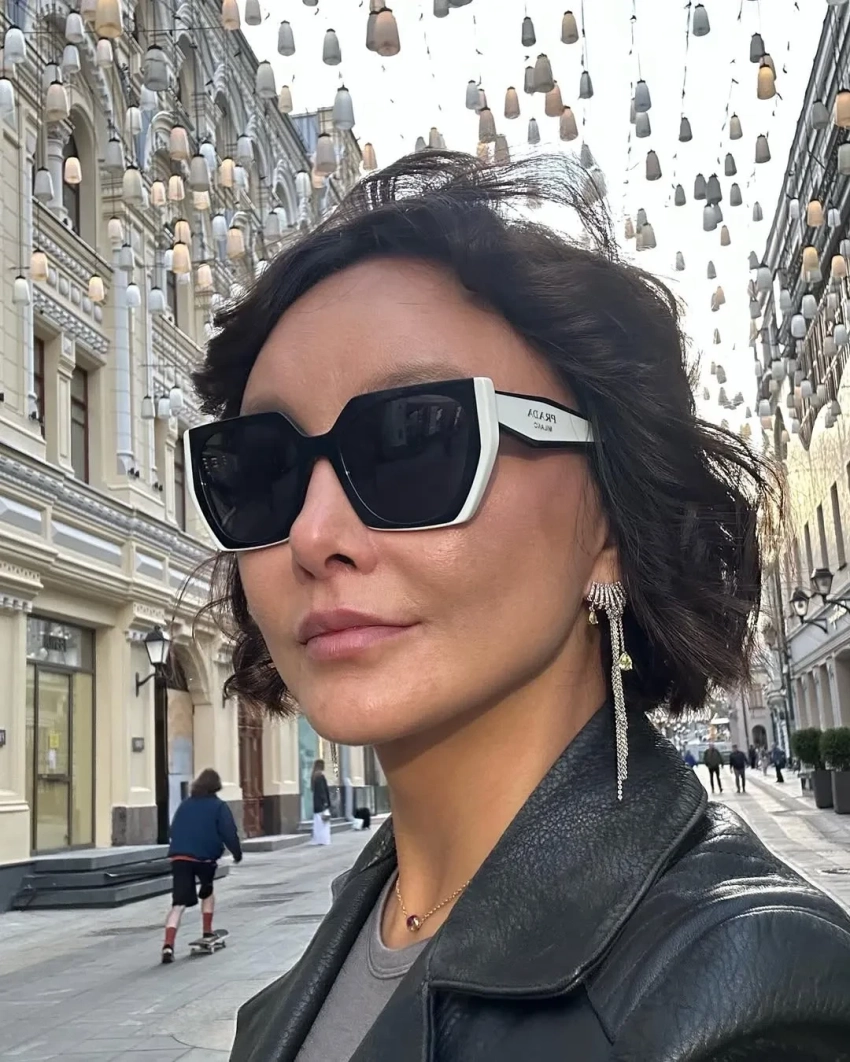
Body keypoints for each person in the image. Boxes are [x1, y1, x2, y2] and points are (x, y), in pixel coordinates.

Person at [186, 153, 850, 1060]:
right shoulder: (359, 922)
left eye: (415, 442)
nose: (312, 534)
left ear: (607, 522)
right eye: (262, 471)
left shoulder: (746, 998)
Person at [161, 767, 242, 964]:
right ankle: (207, 931)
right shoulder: (218, 806)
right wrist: (236, 853)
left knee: (178, 904)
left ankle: (168, 945)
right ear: (216, 786)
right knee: (207, 892)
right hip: (204, 859)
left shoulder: (185, 804)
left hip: (180, 858)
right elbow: (228, 832)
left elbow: (173, 829)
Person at [311, 758, 332, 846]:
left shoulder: (314, 776)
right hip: (321, 804)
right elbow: (322, 791)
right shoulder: (320, 776)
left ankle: (317, 839)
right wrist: (325, 802)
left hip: (316, 804)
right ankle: (324, 840)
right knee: (324, 823)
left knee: (318, 823)